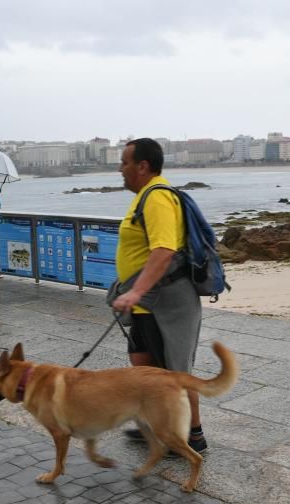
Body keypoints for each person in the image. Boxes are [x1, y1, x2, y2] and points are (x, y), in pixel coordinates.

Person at [110, 138, 207, 454]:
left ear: (142, 165)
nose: (120, 169)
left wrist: (137, 290)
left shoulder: (157, 198)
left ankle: (194, 436)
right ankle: (154, 425)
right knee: (143, 366)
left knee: (174, 373)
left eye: (124, 163)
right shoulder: (144, 196)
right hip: (145, 304)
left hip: (164, 303)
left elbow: (163, 250)